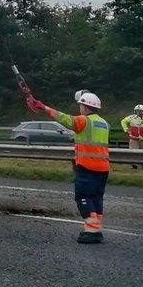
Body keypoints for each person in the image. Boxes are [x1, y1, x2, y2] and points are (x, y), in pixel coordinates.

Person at [26, 90, 110, 244]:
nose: (80, 109)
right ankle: (96, 229)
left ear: (84, 107)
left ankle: (92, 231)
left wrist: (44, 108)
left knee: (83, 197)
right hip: (103, 168)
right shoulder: (104, 123)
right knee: (97, 198)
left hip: (87, 166)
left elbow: (64, 119)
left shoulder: (83, 121)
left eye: (80, 106)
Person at [121, 104, 143, 169]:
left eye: (140, 111)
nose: (138, 112)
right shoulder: (131, 118)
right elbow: (123, 121)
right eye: (137, 111)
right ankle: (134, 164)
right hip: (134, 138)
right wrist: (126, 129)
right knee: (133, 151)